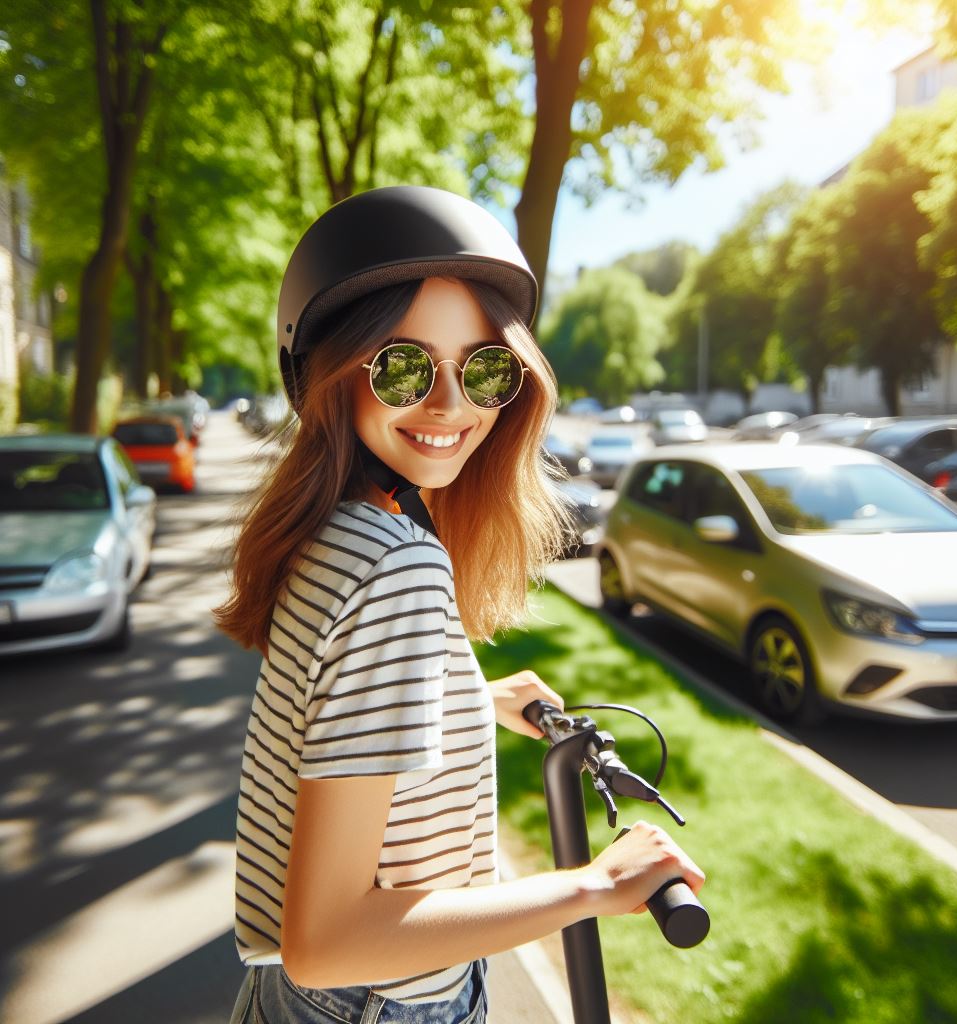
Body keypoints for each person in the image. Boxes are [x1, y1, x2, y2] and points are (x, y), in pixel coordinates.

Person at [215, 186, 705, 1024]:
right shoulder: (393, 566)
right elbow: (325, 938)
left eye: (484, 369)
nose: (452, 406)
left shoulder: (337, 530)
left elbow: (329, 719)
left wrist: (467, 701)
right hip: (374, 1000)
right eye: (404, 367)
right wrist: (590, 887)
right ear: (333, 372)